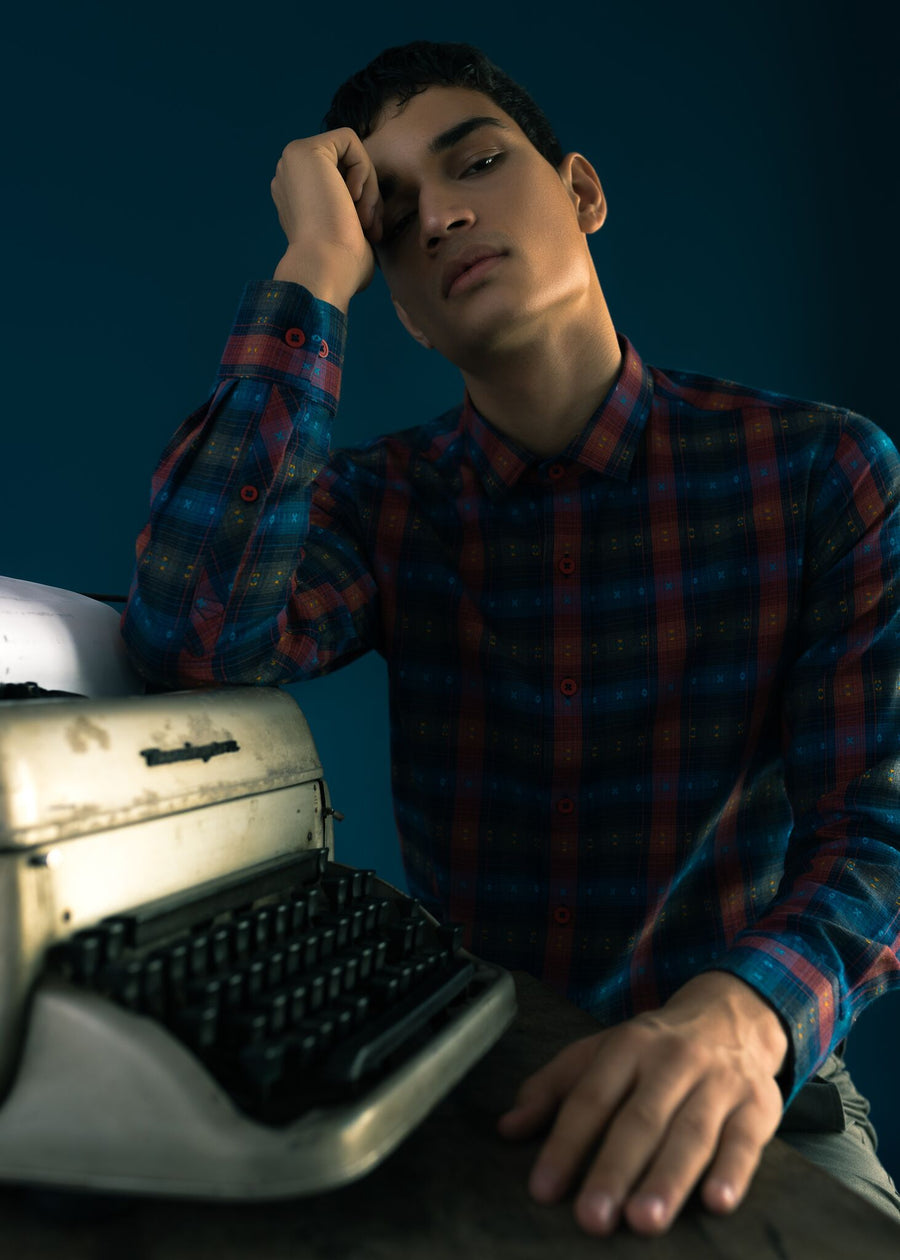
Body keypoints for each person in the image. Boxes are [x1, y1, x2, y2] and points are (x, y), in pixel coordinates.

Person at [121, 40, 900, 1236]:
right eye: (393, 221)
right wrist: (314, 268)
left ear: (583, 192)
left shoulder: (821, 472)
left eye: (477, 161)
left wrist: (743, 1016)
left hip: (757, 1085)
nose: (441, 218)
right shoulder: (385, 504)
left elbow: (878, 835)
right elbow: (192, 640)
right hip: (468, 1085)